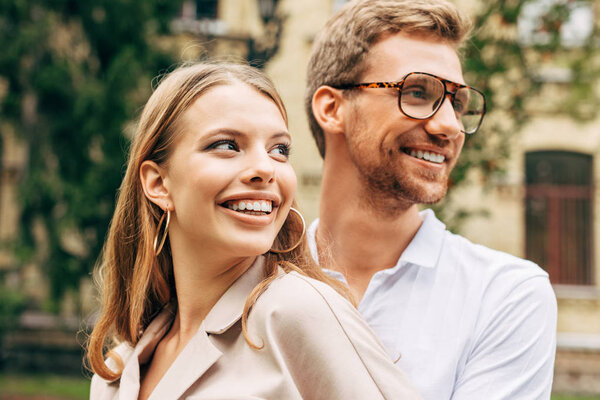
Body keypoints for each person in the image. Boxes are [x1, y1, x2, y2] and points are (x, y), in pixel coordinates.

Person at [86, 62, 421, 400]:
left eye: (279, 150)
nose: (265, 168)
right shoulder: (118, 371)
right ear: (158, 183)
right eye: (227, 145)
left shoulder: (295, 311)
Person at [304, 1, 557, 399]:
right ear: (333, 108)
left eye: (457, 103)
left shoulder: (505, 295)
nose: (450, 127)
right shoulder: (253, 278)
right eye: (418, 92)